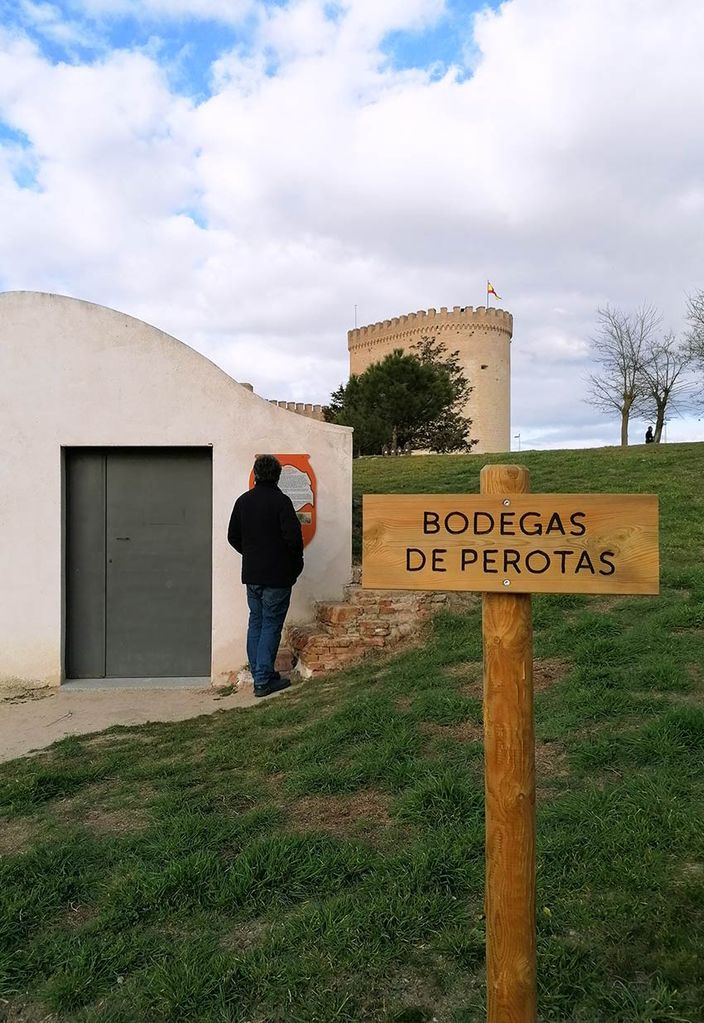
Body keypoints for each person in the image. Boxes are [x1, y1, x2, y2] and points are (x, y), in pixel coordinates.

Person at [228, 455, 304, 698]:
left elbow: (233, 536)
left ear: (256, 473)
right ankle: (262, 679)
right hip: (277, 575)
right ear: (278, 475)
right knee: (271, 623)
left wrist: (251, 554)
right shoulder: (281, 502)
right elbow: (294, 539)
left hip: (252, 575)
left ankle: (261, 672)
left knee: (257, 622)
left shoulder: (243, 502)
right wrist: (295, 565)